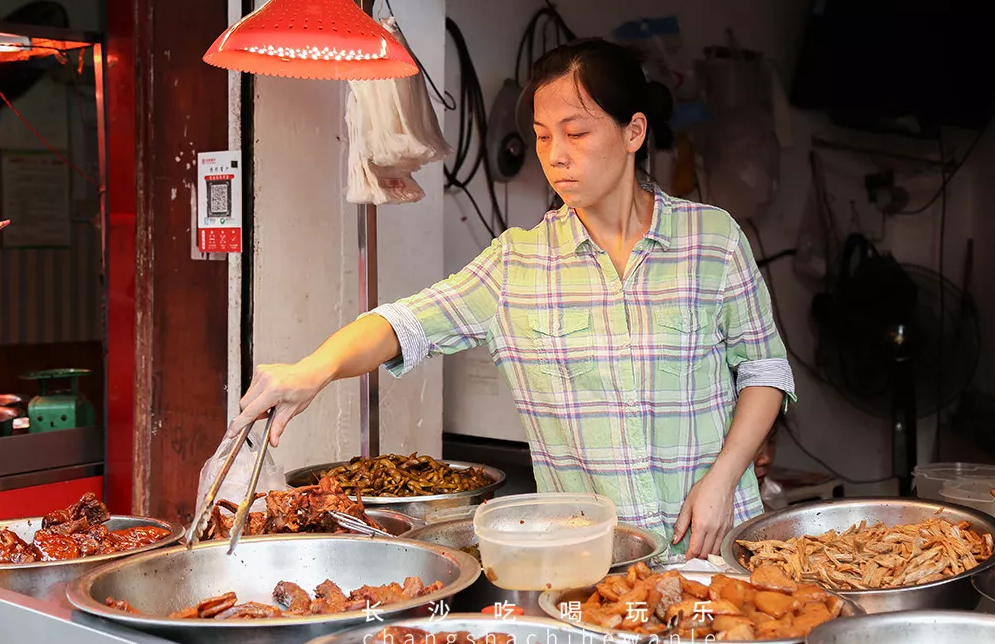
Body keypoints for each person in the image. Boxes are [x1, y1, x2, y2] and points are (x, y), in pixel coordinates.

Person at [230, 38, 795, 559]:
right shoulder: (516, 263)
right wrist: (312, 370)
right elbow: (402, 324)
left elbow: (765, 371)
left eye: (576, 133)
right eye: (543, 135)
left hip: (714, 547)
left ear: (633, 132)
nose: (556, 155)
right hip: (594, 561)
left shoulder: (713, 240)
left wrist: (722, 479)